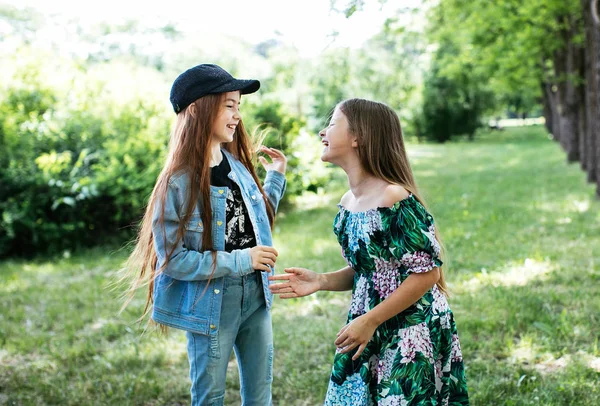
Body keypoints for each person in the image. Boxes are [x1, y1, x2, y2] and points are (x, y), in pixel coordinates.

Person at [269, 98, 468, 405]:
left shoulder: (392, 197)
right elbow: (372, 270)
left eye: (333, 123)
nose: (323, 131)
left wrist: (372, 320)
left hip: (411, 327)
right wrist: (321, 280)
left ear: (357, 136)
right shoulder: (349, 202)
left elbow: (428, 273)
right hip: (368, 322)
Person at [122, 63, 287, 405]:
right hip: (212, 303)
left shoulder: (237, 165)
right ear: (199, 109)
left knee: (261, 395)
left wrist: (275, 177)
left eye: (239, 106)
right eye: (229, 105)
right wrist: (244, 259)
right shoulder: (177, 183)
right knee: (209, 397)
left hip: (256, 296)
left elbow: (254, 219)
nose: (237, 115)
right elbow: (174, 260)